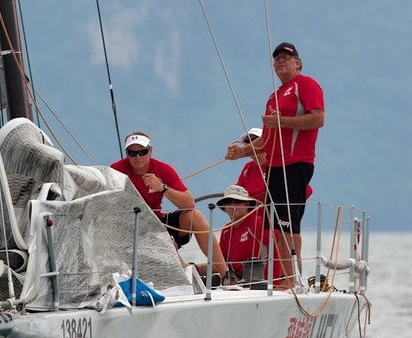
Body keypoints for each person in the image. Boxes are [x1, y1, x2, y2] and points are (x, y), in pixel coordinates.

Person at [225, 42, 324, 287]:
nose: (281, 60)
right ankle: (287, 278)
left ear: (297, 63)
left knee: (289, 226)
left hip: (296, 163)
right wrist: (242, 152)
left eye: (287, 57)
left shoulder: (306, 84)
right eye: (277, 58)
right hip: (275, 168)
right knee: (277, 229)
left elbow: (318, 118)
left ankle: (294, 280)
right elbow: (268, 141)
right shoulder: (274, 98)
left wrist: (283, 122)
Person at [111, 131, 228, 277]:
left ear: (150, 151)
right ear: (126, 153)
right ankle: (188, 272)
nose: (138, 157)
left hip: (159, 222)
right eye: (132, 153)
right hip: (132, 227)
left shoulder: (162, 169)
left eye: (143, 151)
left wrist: (162, 188)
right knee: (165, 242)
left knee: (195, 216)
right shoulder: (116, 171)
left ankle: (226, 276)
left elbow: (189, 203)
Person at [216, 184, 264, 278]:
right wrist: (196, 267)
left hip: (260, 278)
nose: (233, 206)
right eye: (229, 202)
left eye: (237, 202)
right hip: (238, 279)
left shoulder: (259, 223)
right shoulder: (226, 231)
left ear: (246, 205)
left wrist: (275, 283)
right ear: (224, 207)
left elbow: (277, 251)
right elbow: (219, 260)